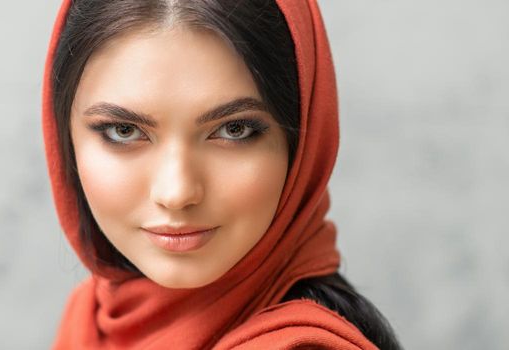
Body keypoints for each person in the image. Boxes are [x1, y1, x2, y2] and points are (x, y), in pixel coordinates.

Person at [42, 0, 402, 349]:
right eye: (123, 130)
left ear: (304, 140)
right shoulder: (92, 315)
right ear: (64, 136)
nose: (177, 192)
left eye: (234, 130)